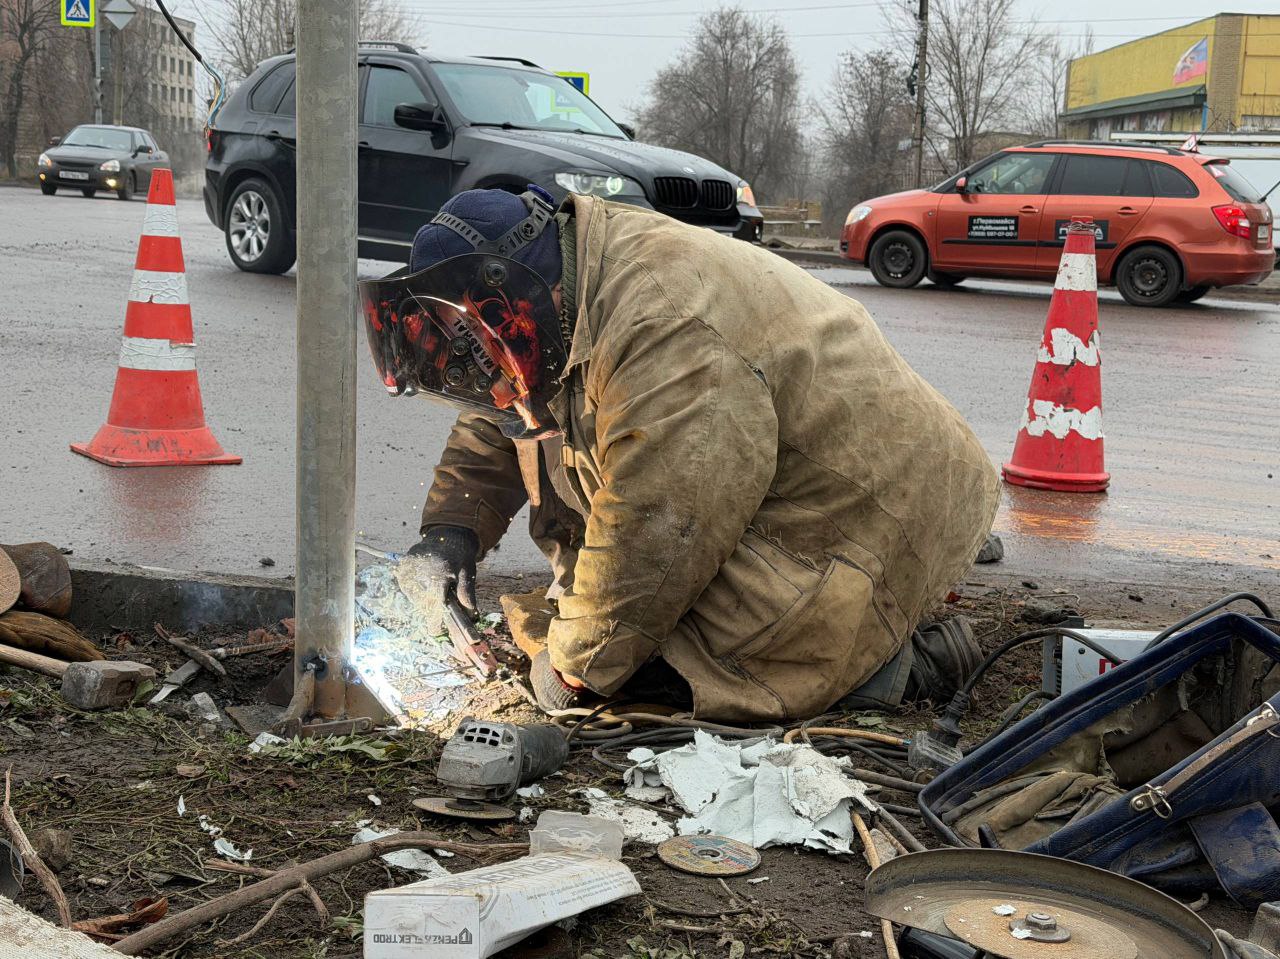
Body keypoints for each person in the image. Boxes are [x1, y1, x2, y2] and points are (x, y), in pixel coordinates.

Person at [358, 185, 1000, 722]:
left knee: (683, 673)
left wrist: (576, 669)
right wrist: (452, 530)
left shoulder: (662, 327)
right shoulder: (564, 282)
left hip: (877, 501)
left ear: (515, 291)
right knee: (617, 627)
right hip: (794, 467)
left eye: (474, 335)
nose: (480, 359)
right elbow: (504, 404)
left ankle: (904, 666)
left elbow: (660, 525)